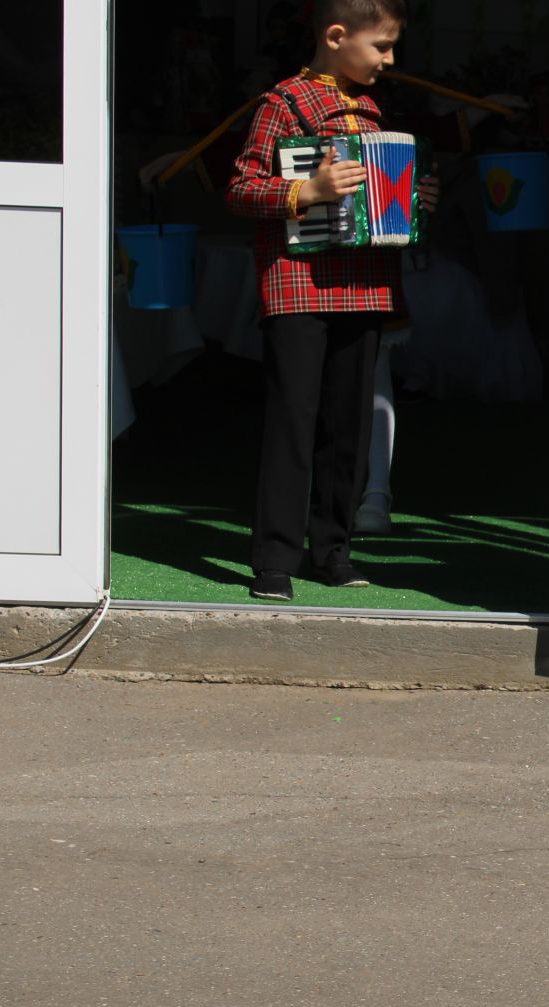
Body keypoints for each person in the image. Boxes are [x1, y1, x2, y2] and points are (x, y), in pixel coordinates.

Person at [225, 0, 437, 600]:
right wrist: (306, 189)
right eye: (382, 46)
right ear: (337, 36)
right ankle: (273, 559)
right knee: (293, 418)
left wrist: (415, 200)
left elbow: (382, 204)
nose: (390, 60)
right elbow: (241, 187)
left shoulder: (371, 113)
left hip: (366, 283)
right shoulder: (282, 104)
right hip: (299, 284)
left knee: (349, 423)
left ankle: (334, 548)